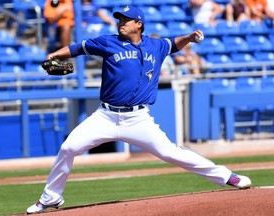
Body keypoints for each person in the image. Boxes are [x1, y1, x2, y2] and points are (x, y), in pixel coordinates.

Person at [26, 5, 252, 214]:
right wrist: (54, 55)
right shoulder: (108, 42)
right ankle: (51, 197)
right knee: (68, 147)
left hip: (138, 118)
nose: (121, 22)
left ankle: (227, 177)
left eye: (126, 19)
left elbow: (174, 43)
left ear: (139, 24)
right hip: (105, 116)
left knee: (171, 152)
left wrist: (191, 37)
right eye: (119, 19)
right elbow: (77, 48)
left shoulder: (156, 45)